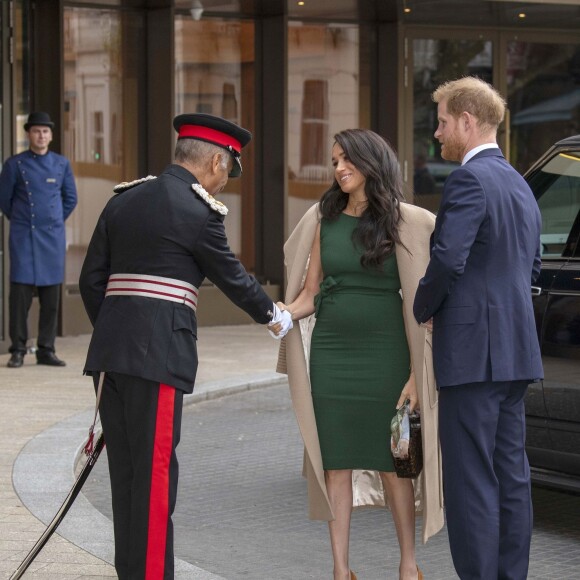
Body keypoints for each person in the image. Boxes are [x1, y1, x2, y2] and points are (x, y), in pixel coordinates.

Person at [79, 113, 291, 580]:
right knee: (154, 486)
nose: (224, 182)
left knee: (126, 479)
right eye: (226, 171)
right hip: (158, 359)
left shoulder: (123, 200)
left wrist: (118, 331)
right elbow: (232, 278)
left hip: (111, 361)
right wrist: (276, 317)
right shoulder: (197, 211)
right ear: (217, 160)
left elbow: (91, 281)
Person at [272, 129, 444, 580]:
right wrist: (279, 313)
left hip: (388, 357)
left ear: (372, 163)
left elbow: (424, 296)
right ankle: (340, 569)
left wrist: (414, 373)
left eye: (347, 160)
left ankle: (408, 565)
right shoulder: (324, 218)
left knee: (394, 465)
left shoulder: (405, 221)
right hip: (331, 356)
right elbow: (310, 294)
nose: (339, 169)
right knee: (336, 465)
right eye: (334, 161)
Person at [413, 77, 543, 580]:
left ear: (468, 122)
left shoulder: (468, 181)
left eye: (443, 122)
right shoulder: (518, 183)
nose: (438, 134)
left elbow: (447, 258)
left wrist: (424, 306)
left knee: (471, 484)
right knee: (511, 478)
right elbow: (531, 268)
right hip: (514, 355)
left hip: (472, 356)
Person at [0, 111, 77, 368]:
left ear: (51, 135)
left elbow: (70, 199)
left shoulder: (61, 164)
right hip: (23, 235)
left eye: (45, 131)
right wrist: (26, 221)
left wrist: (52, 220)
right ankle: (18, 349)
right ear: (28, 134)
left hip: (52, 237)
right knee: (19, 296)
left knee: (50, 296)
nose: (41, 135)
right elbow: (5, 201)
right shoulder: (14, 164)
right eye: (36, 131)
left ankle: (46, 349)